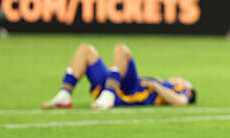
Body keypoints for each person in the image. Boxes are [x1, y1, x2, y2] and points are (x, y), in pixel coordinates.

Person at [42, 43, 196, 110]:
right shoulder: (167, 83)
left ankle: (108, 95)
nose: (180, 78)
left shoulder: (181, 89)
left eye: (184, 80)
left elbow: (181, 102)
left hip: (130, 89)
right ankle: (64, 95)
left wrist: (156, 86)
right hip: (115, 83)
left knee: (122, 49)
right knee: (85, 49)